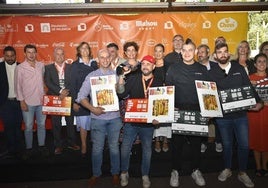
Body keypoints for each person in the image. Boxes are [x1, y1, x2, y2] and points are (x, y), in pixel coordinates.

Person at [209, 42, 263, 188]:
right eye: (219, 52)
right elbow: (208, 95)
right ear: (215, 56)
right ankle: (227, 169)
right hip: (223, 117)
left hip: (240, 115)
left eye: (225, 51)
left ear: (229, 53)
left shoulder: (239, 68)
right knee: (227, 145)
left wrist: (259, 102)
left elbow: (248, 88)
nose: (223, 54)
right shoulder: (211, 72)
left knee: (244, 145)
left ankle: (242, 172)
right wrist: (208, 111)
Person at [166, 39, 209, 187]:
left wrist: (209, 110)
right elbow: (168, 90)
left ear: (195, 52)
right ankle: (175, 170)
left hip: (197, 111)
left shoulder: (202, 69)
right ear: (181, 52)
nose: (187, 53)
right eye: (184, 50)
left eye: (190, 50)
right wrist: (171, 107)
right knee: (177, 143)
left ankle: (195, 170)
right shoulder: (173, 68)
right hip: (178, 110)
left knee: (196, 144)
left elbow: (208, 92)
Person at [76, 49, 122, 188]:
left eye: (107, 57)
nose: (105, 59)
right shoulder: (92, 76)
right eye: (102, 57)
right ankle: (96, 174)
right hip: (98, 119)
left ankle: (115, 173)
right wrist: (92, 109)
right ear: (98, 59)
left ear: (111, 58)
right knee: (97, 149)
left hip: (114, 118)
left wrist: (119, 86)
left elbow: (123, 94)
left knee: (114, 148)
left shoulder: (116, 75)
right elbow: (80, 97)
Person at [118, 55, 163, 188]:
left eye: (148, 64)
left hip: (148, 124)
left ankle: (145, 175)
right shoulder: (133, 78)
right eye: (143, 63)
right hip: (131, 122)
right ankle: (124, 172)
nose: (145, 66)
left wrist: (159, 118)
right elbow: (121, 93)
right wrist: (121, 76)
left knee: (147, 150)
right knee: (125, 148)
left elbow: (162, 103)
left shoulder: (159, 81)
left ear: (153, 67)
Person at [44, 47, 80, 155]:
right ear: (54, 56)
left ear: (64, 56)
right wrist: (60, 91)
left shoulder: (70, 67)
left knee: (70, 123)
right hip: (55, 99)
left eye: (61, 54)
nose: (60, 56)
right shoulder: (48, 68)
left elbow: (73, 82)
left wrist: (65, 92)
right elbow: (48, 82)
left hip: (68, 98)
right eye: (57, 54)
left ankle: (72, 143)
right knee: (56, 124)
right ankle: (58, 145)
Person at [14, 44, 48, 159]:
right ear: (24, 53)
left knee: (41, 124)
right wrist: (21, 101)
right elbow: (17, 86)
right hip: (28, 102)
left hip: (41, 101)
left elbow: (43, 81)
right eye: (29, 52)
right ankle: (29, 148)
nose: (31, 55)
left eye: (33, 52)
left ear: (36, 53)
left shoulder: (41, 66)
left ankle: (41, 146)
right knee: (28, 126)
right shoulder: (20, 68)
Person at [70, 41, 98, 157]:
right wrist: (74, 102)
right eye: (82, 48)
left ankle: (95, 145)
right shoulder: (75, 65)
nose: (85, 50)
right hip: (81, 100)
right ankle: (84, 145)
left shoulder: (95, 64)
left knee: (95, 124)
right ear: (79, 51)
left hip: (95, 99)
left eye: (87, 48)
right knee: (83, 125)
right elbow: (72, 85)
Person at [197, 44, 223, 153]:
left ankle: (219, 141)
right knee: (203, 121)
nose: (200, 54)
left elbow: (221, 80)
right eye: (198, 52)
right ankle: (203, 142)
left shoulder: (217, 66)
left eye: (202, 52)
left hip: (215, 97)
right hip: (200, 99)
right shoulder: (195, 66)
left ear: (208, 54)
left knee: (217, 121)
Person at [0, 46, 23, 158]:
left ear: (15, 56)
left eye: (12, 56)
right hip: (5, 103)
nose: (10, 58)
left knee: (18, 127)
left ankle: (19, 150)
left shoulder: (21, 67)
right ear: (4, 56)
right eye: (7, 56)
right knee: (8, 127)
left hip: (19, 102)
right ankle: (10, 150)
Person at [248, 53, 268, 177]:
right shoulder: (249, 78)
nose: (261, 63)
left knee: (266, 140)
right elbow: (246, 98)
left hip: (267, 113)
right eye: (259, 61)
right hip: (254, 114)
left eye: (264, 61)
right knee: (255, 139)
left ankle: (265, 166)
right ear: (255, 64)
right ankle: (258, 166)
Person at [153, 43, 171, 153]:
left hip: (167, 95)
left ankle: (165, 140)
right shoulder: (151, 64)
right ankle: (156, 140)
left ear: (163, 53)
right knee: (155, 119)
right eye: (156, 51)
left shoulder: (168, 65)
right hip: (154, 95)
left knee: (166, 120)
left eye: (160, 51)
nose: (158, 53)